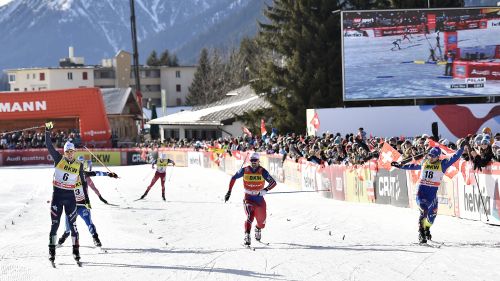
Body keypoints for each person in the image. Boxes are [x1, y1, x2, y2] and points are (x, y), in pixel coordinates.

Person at [391, 142, 464, 243]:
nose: (431, 158)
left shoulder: (442, 164)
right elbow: (413, 166)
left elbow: (456, 157)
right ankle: (421, 233)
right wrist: (400, 166)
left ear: (438, 157)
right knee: (424, 210)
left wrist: (463, 147)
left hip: (432, 196)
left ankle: (427, 229)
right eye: (430, 155)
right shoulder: (425, 162)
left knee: (432, 218)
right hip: (421, 192)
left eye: (433, 156)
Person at [44, 122, 89, 264]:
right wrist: (47, 131)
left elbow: (83, 182)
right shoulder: (58, 159)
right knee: (55, 226)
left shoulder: (79, 165)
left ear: (74, 152)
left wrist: (86, 200)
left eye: (72, 152)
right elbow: (49, 145)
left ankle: (76, 252)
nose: (70, 154)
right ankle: (52, 252)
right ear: (64, 152)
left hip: (70, 198)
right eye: (68, 152)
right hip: (57, 197)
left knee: (73, 227)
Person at [57, 156, 119, 248]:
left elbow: (97, 173)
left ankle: (95, 238)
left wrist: (109, 174)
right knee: (68, 229)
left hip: (83, 205)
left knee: (89, 223)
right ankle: (64, 236)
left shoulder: (84, 174)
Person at [224, 152, 277, 246]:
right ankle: (247, 235)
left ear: (258, 161)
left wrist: (265, 190)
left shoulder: (262, 171)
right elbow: (233, 178)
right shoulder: (245, 170)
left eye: (255, 160)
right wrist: (229, 192)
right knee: (250, 215)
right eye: (252, 160)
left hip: (259, 200)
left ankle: (258, 228)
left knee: (262, 223)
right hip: (248, 198)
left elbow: (273, 183)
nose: (253, 162)